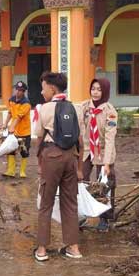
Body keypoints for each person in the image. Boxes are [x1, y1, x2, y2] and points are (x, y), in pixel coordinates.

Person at [32, 72, 83, 262]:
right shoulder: (75, 108)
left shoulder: (44, 109)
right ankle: (74, 248)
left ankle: (42, 250)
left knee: (46, 203)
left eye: (44, 87)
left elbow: (38, 138)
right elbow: (80, 140)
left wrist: (39, 162)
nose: (42, 91)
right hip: (71, 157)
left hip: (51, 157)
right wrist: (78, 167)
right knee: (70, 204)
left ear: (52, 89)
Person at [79, 78, 118, 231]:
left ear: (105, 92)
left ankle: (105, 218)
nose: (95, 92)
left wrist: (107, 163)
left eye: (99, 89)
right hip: (87, 150)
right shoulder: (83, 108)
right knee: (80, 181)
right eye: (93, 88)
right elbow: (80, 131)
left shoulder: (110, 111)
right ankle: (82, 215)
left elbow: (110, 138)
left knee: (106, 184)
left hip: (103, 150)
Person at [3, 81, 32, 178]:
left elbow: (19, 117)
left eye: (21, 91)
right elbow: (10, 113)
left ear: (24, 92)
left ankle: (22, 171)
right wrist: (5, 123)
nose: (18, 92)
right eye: (17, 90)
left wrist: (12, 127)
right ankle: (11, 171)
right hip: (13, 132)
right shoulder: (11, 100)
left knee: (24, 151)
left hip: (24, 132)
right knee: (10, 150)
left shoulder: (26, 103)